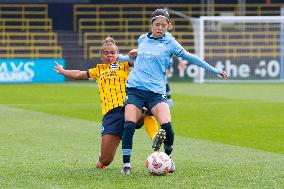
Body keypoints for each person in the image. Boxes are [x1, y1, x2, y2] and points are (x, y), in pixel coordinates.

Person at [120, 8, 228, 175]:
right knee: (129, 125)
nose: (160, 27)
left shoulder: (170, 43)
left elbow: (190, 57)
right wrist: (119, 57)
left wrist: (214, 70)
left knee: (167, 127)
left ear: (169, 26)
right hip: (135, 89)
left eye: (164, 25)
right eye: (157, 24)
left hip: (156, 92)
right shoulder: (142, 39)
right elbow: (137, 58)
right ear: (151, 25)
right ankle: (126, 165)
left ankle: (167, 159)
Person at [54, 37, 138, 169]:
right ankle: (102, 159)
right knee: (105, 160)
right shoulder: (98, 70)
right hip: (111, 114)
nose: (110, 55)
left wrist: (137, 53)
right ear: (101, 56)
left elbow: (142, 60)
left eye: (112, 53)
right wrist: (63, 71)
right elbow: (78, 74)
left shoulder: (125, 65)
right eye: (106, 53)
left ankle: (150, 123)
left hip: (129, 106)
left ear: (118, 54)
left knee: (143, 113)